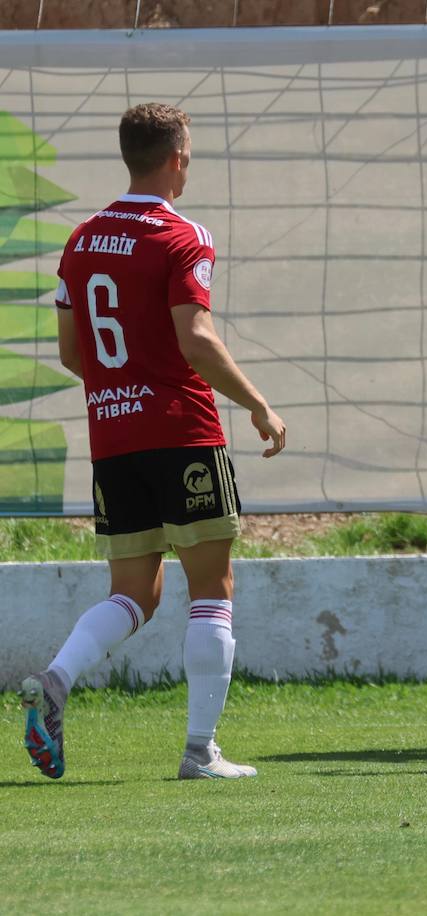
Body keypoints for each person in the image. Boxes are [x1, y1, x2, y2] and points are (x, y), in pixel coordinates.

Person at [20, 102, 287, 781]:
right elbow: (194, 336)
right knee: (212, 589)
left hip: (113, 436)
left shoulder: (79, 241)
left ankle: (56, 678)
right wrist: (257, 404)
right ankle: (201, 751)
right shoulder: (183, 235)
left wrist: (122, 385)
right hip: (180, 430)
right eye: (188, 154)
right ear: (175, 158)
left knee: (134, 592)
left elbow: (73, 353)